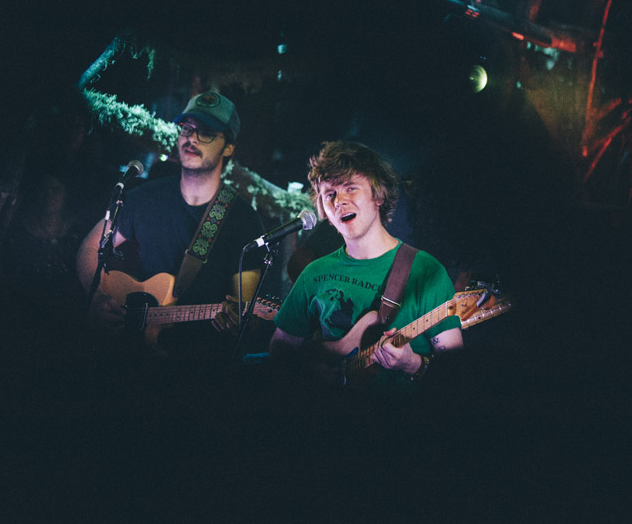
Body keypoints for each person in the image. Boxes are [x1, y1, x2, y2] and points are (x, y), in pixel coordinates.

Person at [75, 91, 264, 365]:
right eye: (187, 128)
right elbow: (91, 247)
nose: (192, 138)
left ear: (229, 147)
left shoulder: (243, 219)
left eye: (207, 132)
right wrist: (98, 300)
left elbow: (246, 310)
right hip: (135, 353)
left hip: (202, 365)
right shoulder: (144, 197)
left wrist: (238, 320)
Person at [269, 140, 463, 392]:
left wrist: (411, 363)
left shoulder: (426, 272)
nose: (339, 200)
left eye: (350, 188)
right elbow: (280, 350)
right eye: (330, 194)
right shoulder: (315, 273)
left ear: (378, 195)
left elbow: (456, 377)